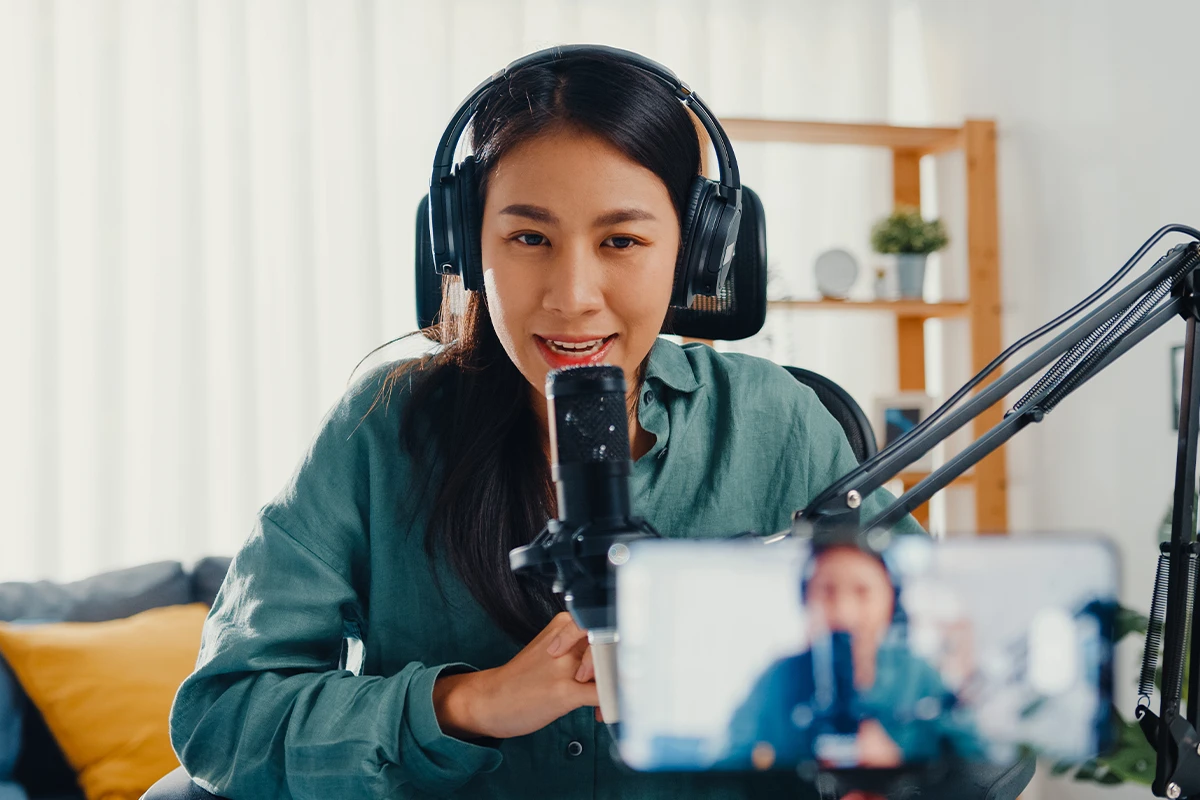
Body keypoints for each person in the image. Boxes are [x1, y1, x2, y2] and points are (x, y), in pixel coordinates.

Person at [168, 46, 924, 799]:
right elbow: (223, 719)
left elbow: (965, 706)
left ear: (694, 256)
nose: (572, 295)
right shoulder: (382, 430)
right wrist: (470, 705)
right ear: (465, 245)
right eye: (529, 238)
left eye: (621, 241)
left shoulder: (778, 422)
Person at [719, 544, 986, 773]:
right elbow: (722, 768)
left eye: (862, 591)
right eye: (827, 590)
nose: (844, 614)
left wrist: (897, 776)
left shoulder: (920, 676)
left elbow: (982, 774)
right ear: (805, 599)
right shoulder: (778, 679)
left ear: (891, 602)